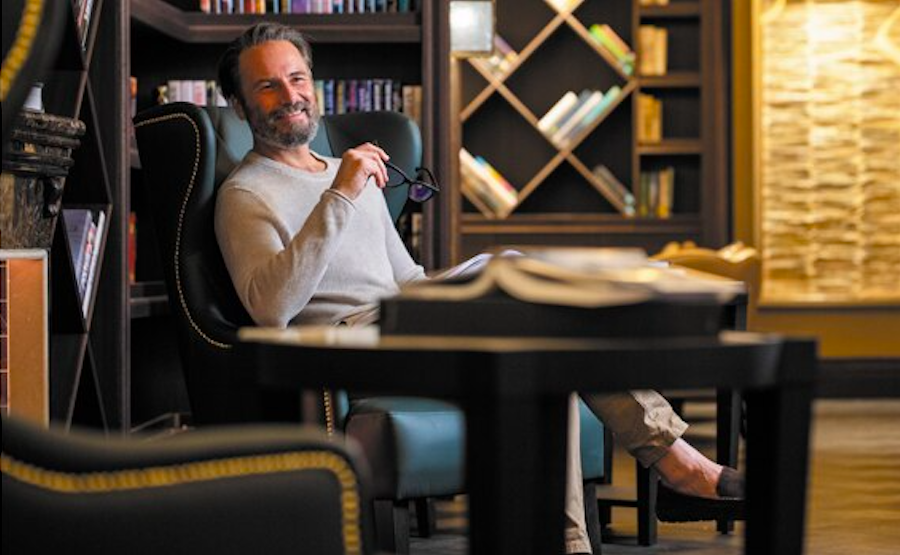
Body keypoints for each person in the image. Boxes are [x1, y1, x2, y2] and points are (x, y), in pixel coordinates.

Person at [214, 22, 743, 555]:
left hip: (403, 322)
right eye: (267, 86)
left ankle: (583, 533)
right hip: (349, 345)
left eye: (297, 78)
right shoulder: (246, 194)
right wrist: (341, 196)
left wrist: (477, 278)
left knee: (532, 303)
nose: (290, 95)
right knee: (530, 313)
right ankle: (674, 472)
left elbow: (407, 280)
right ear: (238, 105)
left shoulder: (347, 171)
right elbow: (271, 308)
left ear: (314, 84)